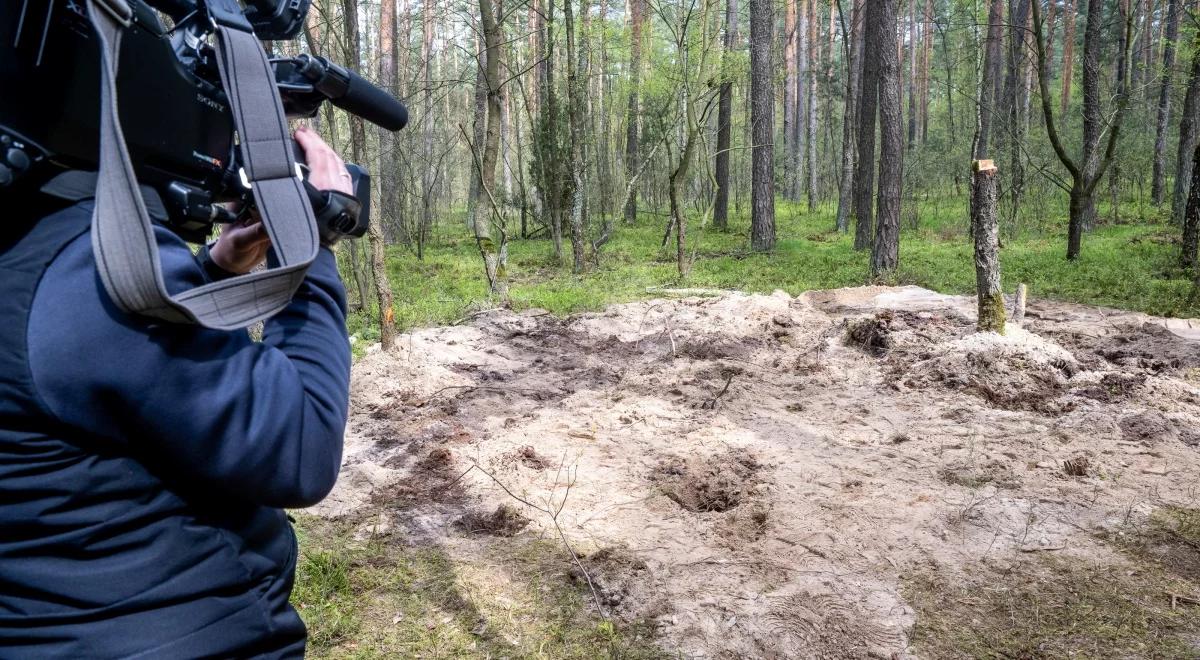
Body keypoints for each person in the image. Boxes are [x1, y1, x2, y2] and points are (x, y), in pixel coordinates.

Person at [0, 125, 353, 658]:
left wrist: (208, 274)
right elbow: (302, 447)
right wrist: (314, 250)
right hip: (182, 633)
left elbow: (123, 371)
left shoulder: (26, 246)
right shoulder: (81, 260)